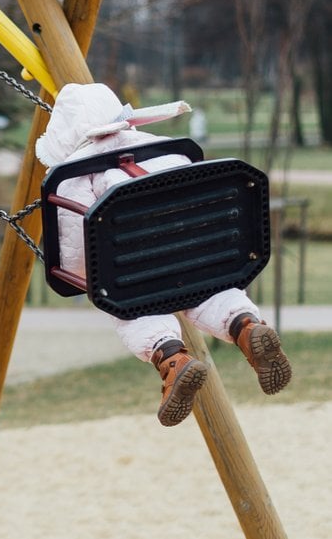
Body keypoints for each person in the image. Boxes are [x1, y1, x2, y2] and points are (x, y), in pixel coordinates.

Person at [35, 83, 292, 427]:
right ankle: (246, 326)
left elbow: (79, 254)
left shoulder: (75, 176)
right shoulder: (163, 148)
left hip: (135, 273)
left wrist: (89, 281)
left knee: (129, 308)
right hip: (199, 257)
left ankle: (171, 357)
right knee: (208, 292)